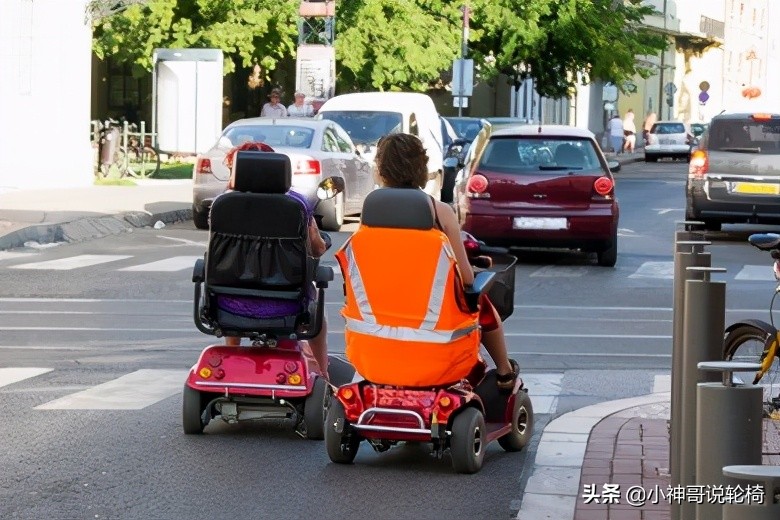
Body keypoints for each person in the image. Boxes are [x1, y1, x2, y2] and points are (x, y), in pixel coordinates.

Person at [372, 133, 519, 390]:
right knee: (479, 300)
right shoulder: (440, 212)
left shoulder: (370, 212)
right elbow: (466, 277)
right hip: (434, 315)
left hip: (381, 310)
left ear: (381, 169)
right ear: (421, 167)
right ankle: (504, 372)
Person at [219, 142, 329, 377]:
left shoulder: (223, 205)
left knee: (232, 289)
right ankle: (323, 372)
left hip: (229, 304)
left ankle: (231, 354)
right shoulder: (297, 204)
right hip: (288, 304)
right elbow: (316, 249)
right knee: (318, 311)